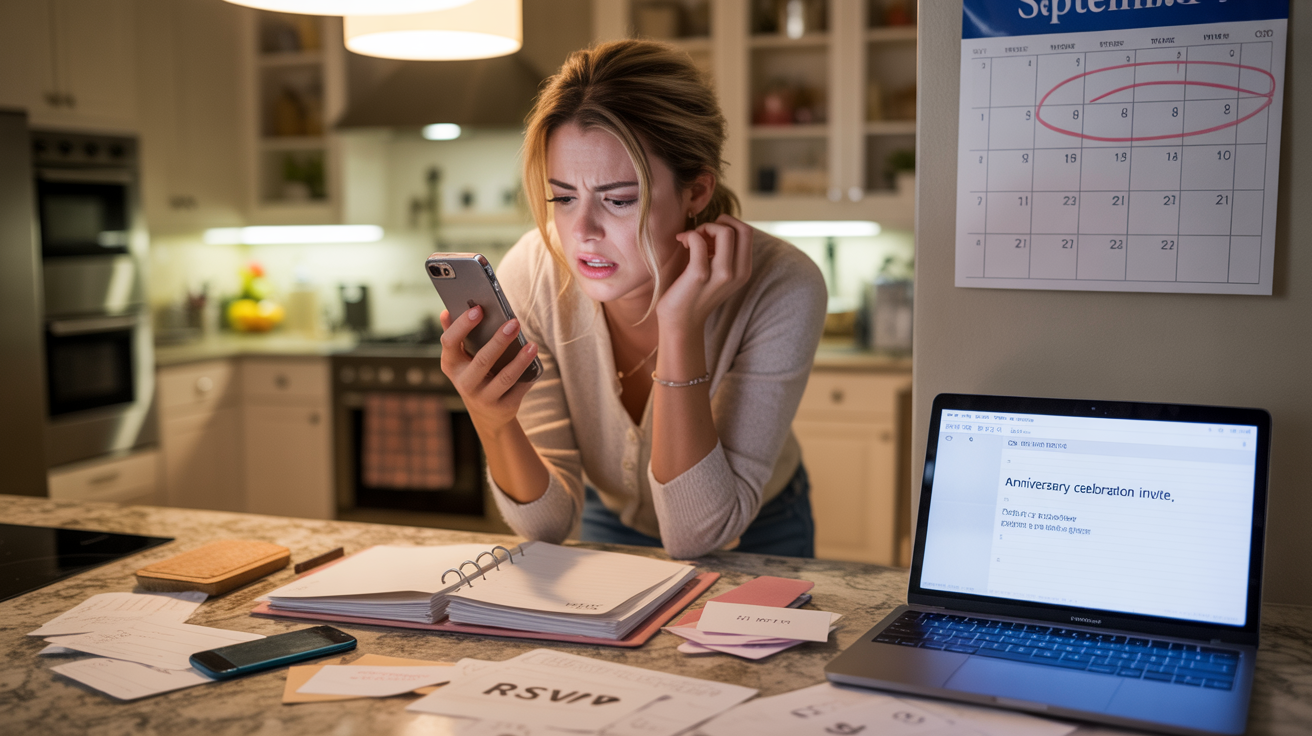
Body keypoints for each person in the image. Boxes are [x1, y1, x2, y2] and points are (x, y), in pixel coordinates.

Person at [438, 39, 827, 559]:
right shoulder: (534, 273)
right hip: (612, 516)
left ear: (696, 192)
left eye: (619, 199)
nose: (582, 232)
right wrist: (493, 421)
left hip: (755, 527)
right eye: (563, 198)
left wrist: (680, 328)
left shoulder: (783, 284)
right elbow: (546, 526)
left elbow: (697, 534)